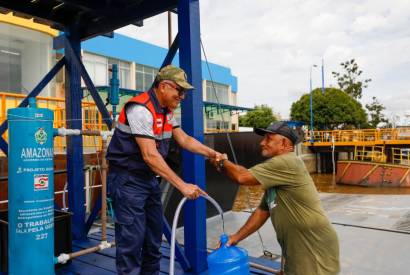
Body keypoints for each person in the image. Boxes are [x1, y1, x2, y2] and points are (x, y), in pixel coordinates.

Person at [106, 65, 222, 275]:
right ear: (164, 86)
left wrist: (212, 153)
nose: (182, 96)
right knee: (131, 243)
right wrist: (182, 186)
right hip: (127, 181)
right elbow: (150, 155)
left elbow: (184, 139)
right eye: (180, 90)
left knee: (153, 239)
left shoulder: (166, 112)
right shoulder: (140, 109)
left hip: (147, 179)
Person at [211, 121, 340, 275]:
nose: (262, 143)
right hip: (296, 247)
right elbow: (262, 212)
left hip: (313, 248)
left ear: (284, 143)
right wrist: (236, 237)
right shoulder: (277, 177)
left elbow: (243, 177)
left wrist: (221, 160)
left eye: (268, 139)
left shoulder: (286, 162)